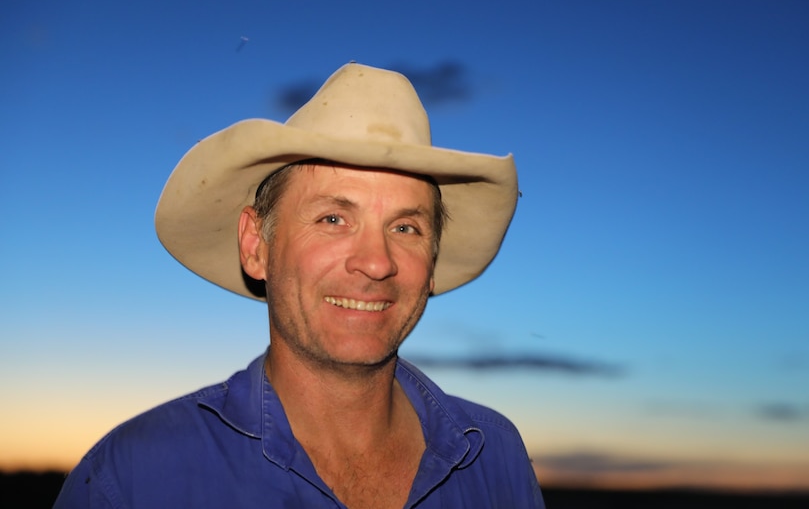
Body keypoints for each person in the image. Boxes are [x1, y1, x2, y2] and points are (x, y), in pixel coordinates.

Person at [53, 62, 545, 509]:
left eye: (406, 228)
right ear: (256, 245)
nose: (376, 263)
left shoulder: (495, 460)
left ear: (432, 261)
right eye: (333, 218)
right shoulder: (134, 480)